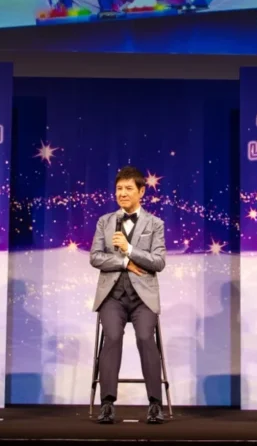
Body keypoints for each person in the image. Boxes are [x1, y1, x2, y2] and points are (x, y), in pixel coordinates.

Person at [89, 165, 168, 424]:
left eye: (128, 189)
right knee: (112, 337)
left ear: (141, 191)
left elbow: (158, 261)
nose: (122, 193)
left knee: (145, 337)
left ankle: (155, 404)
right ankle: (107, 404)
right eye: (119, 189)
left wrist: (130, 250)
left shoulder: (155, 224)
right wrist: (124, 262)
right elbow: (95, 257)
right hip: (112, 295)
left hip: (143, 297)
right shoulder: (105, 221)